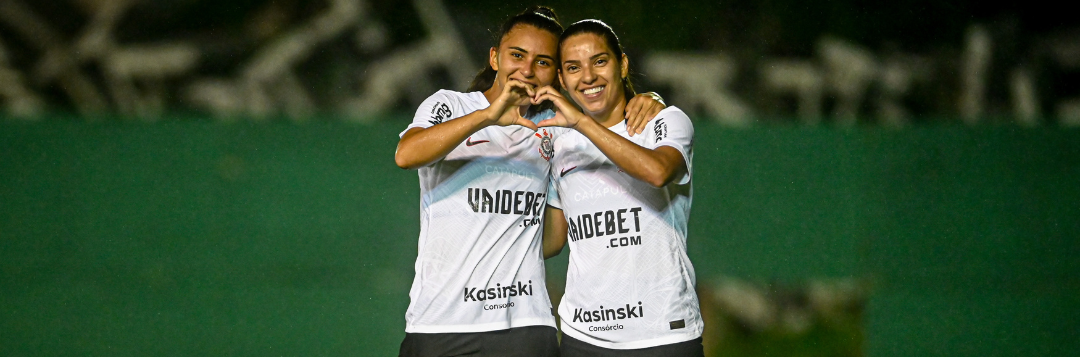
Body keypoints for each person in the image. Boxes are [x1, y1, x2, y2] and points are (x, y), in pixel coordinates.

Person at [394, 8, 666, 357]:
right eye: (517, 55)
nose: (526, 70)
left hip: (524, 325)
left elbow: (553, 239)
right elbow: (407, 154)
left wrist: (649, 100)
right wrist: (487, 117)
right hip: (440, 323)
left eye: (543, 62)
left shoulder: (557, 127)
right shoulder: (452, 104)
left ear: (556, 74)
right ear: (495, 57)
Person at [533, 19, 704, 357]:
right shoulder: (561, 144)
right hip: (584, 338)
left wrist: (583, 123)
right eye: (573, 67)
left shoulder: (664, 121)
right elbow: (553, 239)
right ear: (562, 79)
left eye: (599, 61)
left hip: (662, 334)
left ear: (622, 64)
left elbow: (657, 172)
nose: (588, 77)